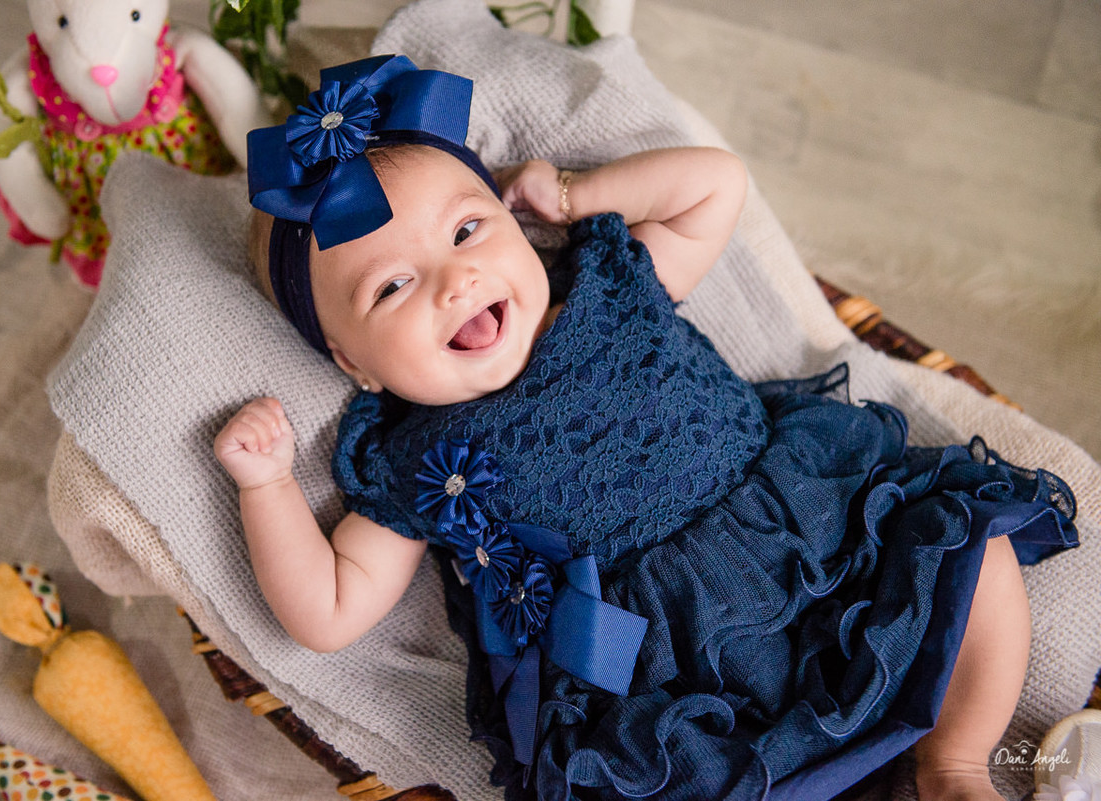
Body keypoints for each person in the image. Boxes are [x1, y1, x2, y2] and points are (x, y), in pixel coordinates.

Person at [215, 55, 1077, 801]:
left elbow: (714, 185)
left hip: (815, 535)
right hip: (670, 667)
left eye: (468, 229)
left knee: (968, 548)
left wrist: (574, 194)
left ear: (516, 228)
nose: (454, 280)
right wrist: (268, 484)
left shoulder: (612, 288)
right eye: (391, 287)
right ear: (355, 364)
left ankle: (956, 760)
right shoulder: (414, 461)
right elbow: (329, 610)